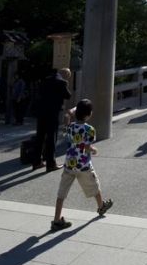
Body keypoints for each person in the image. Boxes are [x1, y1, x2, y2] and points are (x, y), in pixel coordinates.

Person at [50, 99, 113, 231]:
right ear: (89, 114)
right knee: (94, 185)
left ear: (76, 112)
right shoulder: (89, 129)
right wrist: (94, 150)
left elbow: (67, 116)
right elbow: (87, 147)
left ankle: (56, 220)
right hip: (83, 165)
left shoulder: (71, 127)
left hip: (69, 165)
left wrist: (72, 111)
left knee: (61, 193)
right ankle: (101, 206)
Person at [32, 68, 71, 172]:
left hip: (41, 112)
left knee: (40, 136)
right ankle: (51, 163)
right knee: (51, 137)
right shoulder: (62, 82)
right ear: (66, 74)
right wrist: (66, 84)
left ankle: (36, 161)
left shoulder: (44, 80)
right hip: (53, 113)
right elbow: (68, 95)